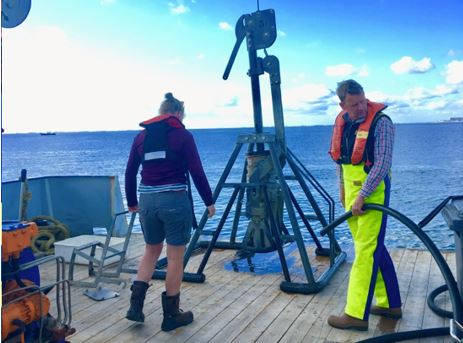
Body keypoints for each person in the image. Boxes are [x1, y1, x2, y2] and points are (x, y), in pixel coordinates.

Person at [124, 92, 216, 331]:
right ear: (177, 114)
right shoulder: (182, 135)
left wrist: (133, 201)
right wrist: (209, 200)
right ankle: (172, 315)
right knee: (175, 257)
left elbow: (130, 172)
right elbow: (196, 171)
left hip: (147, 201)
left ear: (160, 112)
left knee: (150, 251)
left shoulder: (141, 137)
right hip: (174, 200)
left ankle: (135, 307)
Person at [327, 80, 402, 331]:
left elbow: (381, 164)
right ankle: (391, 303)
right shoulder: (343, 122)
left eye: (362, 101)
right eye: (354, 104)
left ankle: (356, 314)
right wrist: (343, 189)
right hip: (351, 192)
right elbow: (341, 160)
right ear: (342, 104)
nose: (360, 107)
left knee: (365, 252)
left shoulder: (382, 123)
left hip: (373, 193)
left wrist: (363, 196)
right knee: (371, 247)